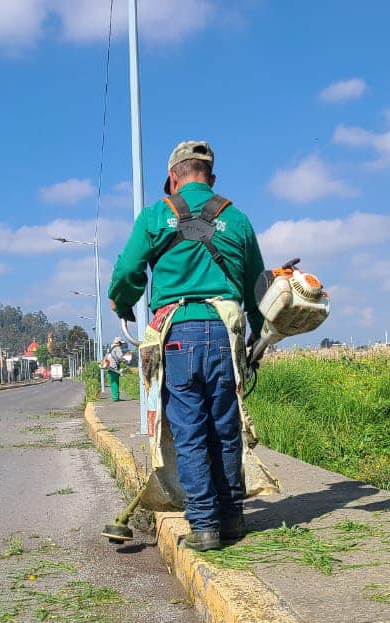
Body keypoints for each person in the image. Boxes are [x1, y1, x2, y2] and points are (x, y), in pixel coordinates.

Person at [107, 140, 265, 551]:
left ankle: (205, 525)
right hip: (225, 335)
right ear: (210, 179)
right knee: (226, 428)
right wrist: (258, 335)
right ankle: (232, 519)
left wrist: (122, 301)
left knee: (190, 429)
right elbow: (257, 287)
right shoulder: (239, 220)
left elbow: (128, 270)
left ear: (174, 179)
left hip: (178, 336)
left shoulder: (158, 214)